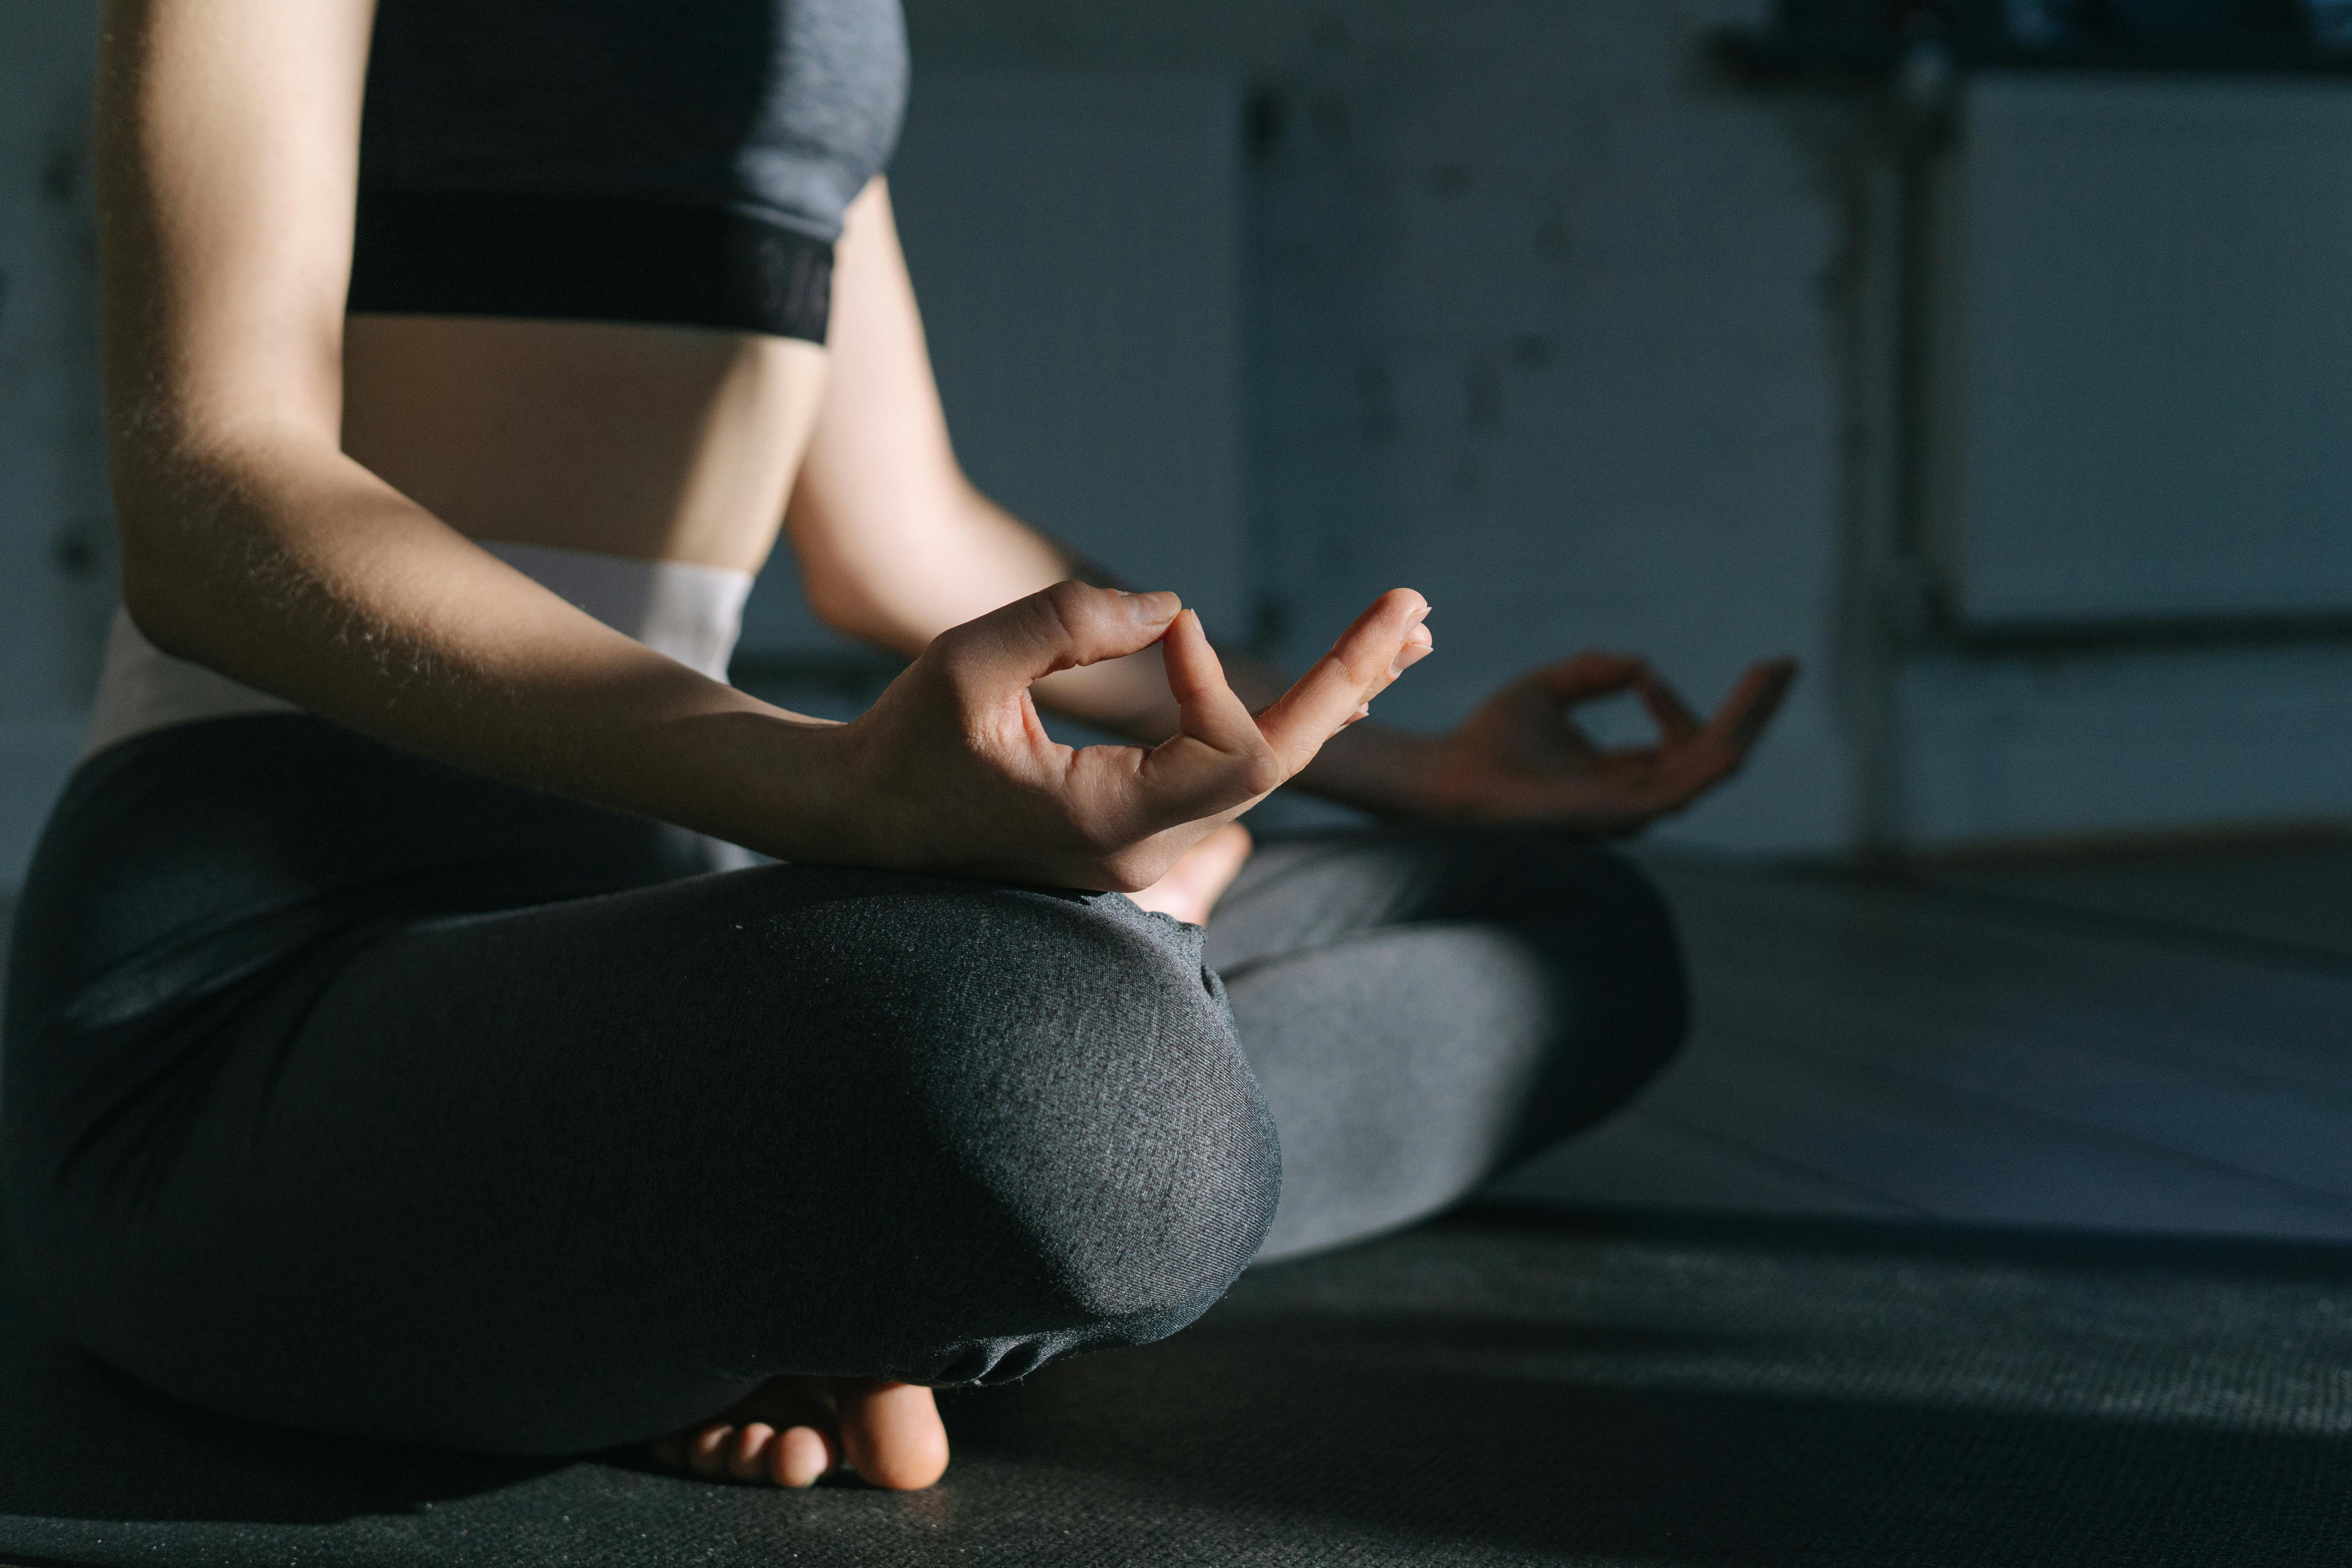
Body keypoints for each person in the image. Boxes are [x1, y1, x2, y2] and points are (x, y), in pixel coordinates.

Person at [1, 0, 1795, 1494]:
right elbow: (213, 502)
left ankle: (792, 1251)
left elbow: (902, 531)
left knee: (1569, 926)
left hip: (673, 917)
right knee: (1102, 1095)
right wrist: (836, 793)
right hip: (261, 981)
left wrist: (1403, 774)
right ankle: (864, 1220)